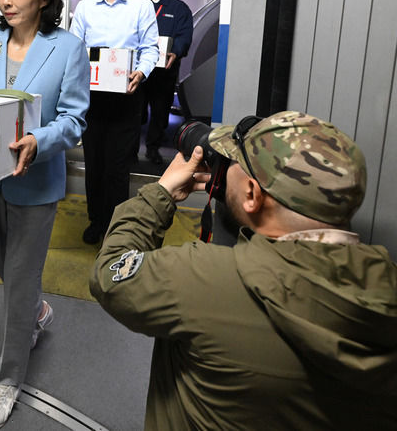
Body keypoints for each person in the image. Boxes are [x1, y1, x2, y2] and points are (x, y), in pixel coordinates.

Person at [91, 110, 397, 430]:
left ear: (252, 194)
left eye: (234, 161)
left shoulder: (207, 282)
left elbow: (110, 273)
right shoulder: (386, 287)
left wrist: (161, 193)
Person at [0, 0, 90, 430]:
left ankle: (7, 381)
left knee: (18, 280)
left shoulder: (68, 48)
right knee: (6, 269)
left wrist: (39, 140)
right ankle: (37, 311)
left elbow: (74, 119)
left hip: (36, 183)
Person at [70, 0, 160, 245]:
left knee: (118, 167)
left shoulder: (141, 6)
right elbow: (74, 47)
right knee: (94, 164)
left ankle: (115, 228)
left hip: (126, 94)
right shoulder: (85, 7)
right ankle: (96, 220)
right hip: (92, 97)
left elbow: (150, 48)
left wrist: (141, 73)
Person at [142, 0, 192, 165]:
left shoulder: (179, 8)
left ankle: (152, 149)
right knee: (135, 111)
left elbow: (185, 35)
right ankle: (129, 151)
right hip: (138, 69)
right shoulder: (138, 4)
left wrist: (176, 50)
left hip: (165, 71)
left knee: (160, 111)